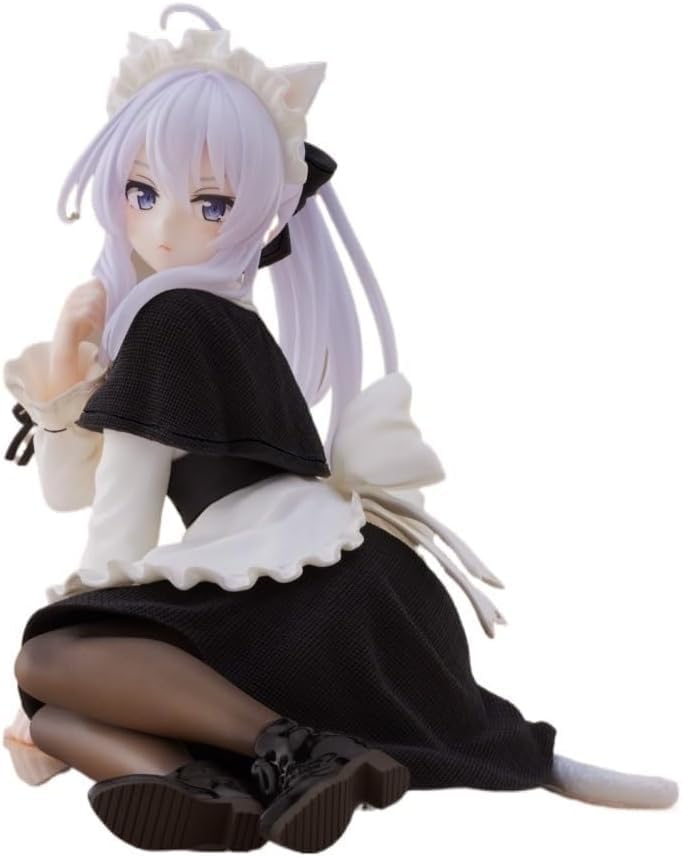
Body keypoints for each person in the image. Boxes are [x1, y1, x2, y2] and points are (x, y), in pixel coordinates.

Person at [3, 3, 678, 853]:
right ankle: (224, 790)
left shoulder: (173, 319)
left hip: (299, 595)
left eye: (211, 203)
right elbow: (75, 491)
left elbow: (117, 530)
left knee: (47, 663)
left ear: (261, 210)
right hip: (337, 591)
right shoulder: (213, 320)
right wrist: (65, 388)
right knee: (55, 715)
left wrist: (85, 636)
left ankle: (293, 748)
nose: (167, 225)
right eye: (144, 192)